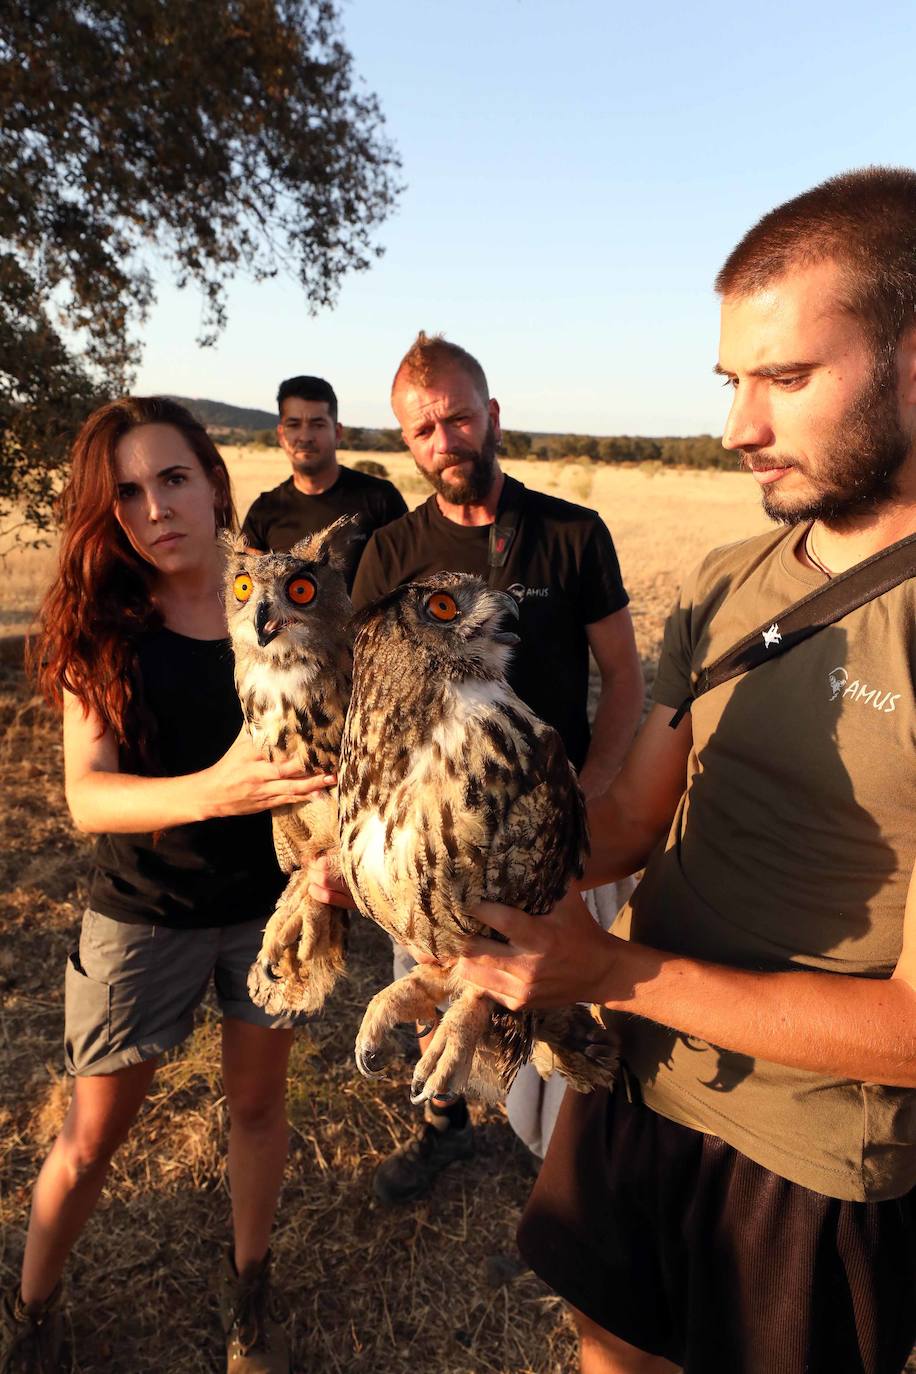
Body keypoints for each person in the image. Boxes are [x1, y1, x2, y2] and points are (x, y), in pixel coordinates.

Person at [451, 168, 916, 1374]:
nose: (737, 428)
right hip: (633, 1073)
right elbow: (622, 829)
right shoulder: (724, 582)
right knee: (604, 1340)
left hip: (805, 1155)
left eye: (787, 377)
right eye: (731, 381)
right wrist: (439, 867)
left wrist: (612, 965)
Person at [2, 397, 334, 1374]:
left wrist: (329, 851)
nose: (154, 510)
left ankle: (252, 1299)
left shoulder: (278, 601)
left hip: (267, 911)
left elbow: (328, 748)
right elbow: (87, 799)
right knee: (90, 1140)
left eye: (173, 479)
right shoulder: (102, 627)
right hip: (143, 915)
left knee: (259, 1110)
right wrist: (216, 791)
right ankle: (35, 1308)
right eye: (128, 495)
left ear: (215, 483)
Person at [351, 332, 644, 1202]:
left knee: (558, 1022)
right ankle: (442, 1127)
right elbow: (366, 706)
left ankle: (563, 1191)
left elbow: (623, 674)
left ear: (492, 417)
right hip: (435, 843)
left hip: (555, 838)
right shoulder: (393, 556)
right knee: (430, 996)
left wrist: (589, 796)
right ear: (407, 442)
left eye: (457, 418)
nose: (444, 440)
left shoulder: (571, 533)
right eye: (421, 430)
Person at [241, 374, 407, 590]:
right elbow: (247, 593)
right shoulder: (264, 511)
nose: (305, 436)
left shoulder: (381, 499)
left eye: (317, 425)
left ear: (337, 433)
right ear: (281, 435)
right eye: (294, 425)